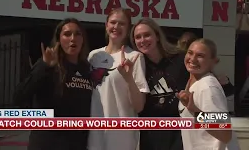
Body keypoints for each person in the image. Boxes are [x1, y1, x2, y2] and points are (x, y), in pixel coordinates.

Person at [23, 18, 93, 150]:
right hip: (47, 144)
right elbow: (20, 95)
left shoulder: (87, 69)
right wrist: (43, 67)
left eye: (78, 34)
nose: (73, 38)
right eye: (67, 34)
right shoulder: (49, 65)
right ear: (59, 39)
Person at [88, 8, 149, 150]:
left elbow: (139, 106)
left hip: (121, 137)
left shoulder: (134, 57)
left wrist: (128, 78)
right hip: (94, 135)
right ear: (106, 25)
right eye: (113, 22)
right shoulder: (93, 56)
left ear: (128, 29)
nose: (116, 27)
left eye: (122, 24)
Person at [129, 18, 188, 150]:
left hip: (180, 136)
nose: (143, 40)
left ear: (157, 36)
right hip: (149, 138)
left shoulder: (181, 60)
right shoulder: (138, 66)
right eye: (138, 37)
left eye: (147, 35)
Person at [177, 38, 240, 150]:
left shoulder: (208, 87)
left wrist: (196, 112)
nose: (193, 59)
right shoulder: (195, 81)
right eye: (190, 53)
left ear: (213, 61)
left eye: (200, 56)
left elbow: (225, 134)